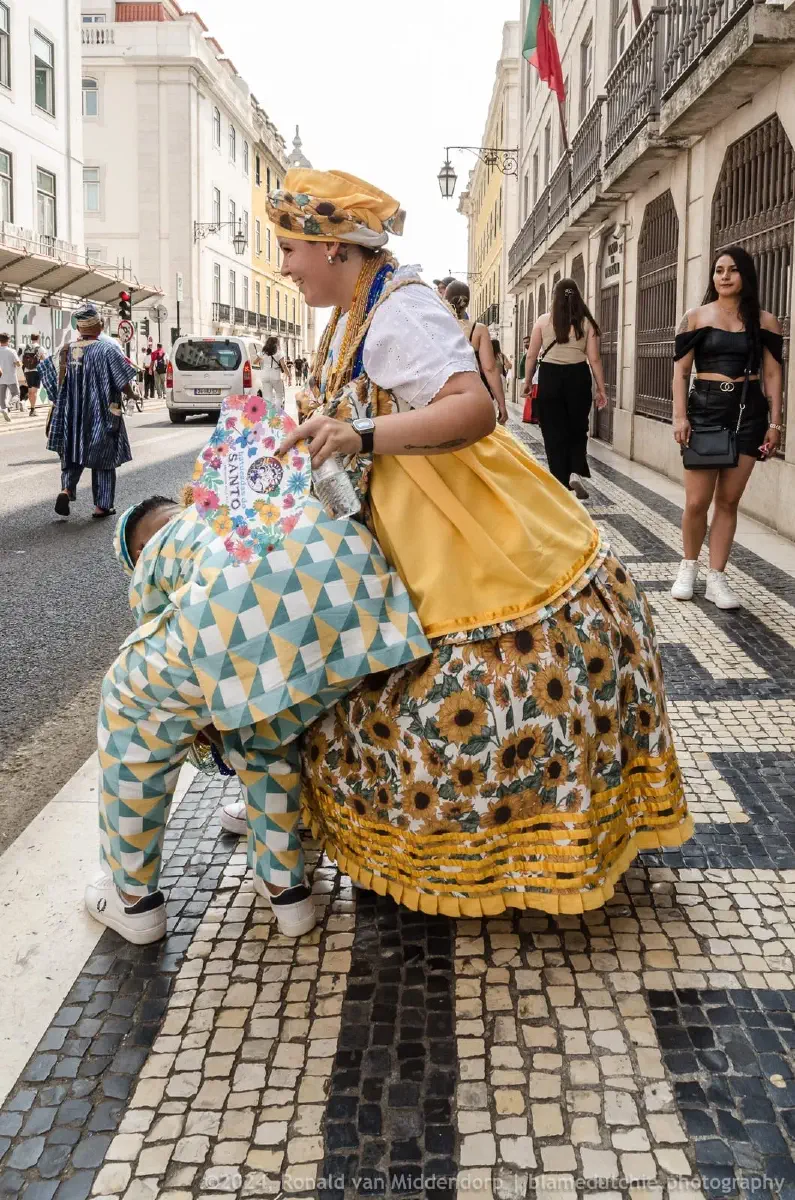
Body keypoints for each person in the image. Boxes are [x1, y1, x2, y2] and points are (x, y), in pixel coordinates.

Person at [268, 168, 691, 918]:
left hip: (455, 523)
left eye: (290, 249)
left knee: (469, 686)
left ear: (334, 247)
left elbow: (473, 410)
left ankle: (506, 851)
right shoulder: (356, 312)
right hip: (404, 518)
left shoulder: (399, 310)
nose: (284, 267)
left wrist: (359, 432)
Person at [88, 463, 429, 942]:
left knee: (130, 702)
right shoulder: (235, 499)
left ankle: (133, 899)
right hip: (361, 607)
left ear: (138, 549)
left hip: (249, 617)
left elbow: (169, 658)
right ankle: (285, 890)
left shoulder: (157, 550)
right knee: (263, 726)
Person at [671, 246, 784, 610]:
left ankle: (716, 577)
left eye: (732, 270)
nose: (724, 276)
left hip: (748, 413)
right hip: (704, 410)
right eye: (719, 270)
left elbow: (772, 374)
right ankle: (688, 567)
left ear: (745, 275)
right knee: (696, 501)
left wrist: (775, 422)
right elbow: (681, 372)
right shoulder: (696, 317)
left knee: (729, 500)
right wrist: (680, 416)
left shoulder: (766, 322)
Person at [39, 302, 137, 518]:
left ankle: (66, 490)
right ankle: (102, 505)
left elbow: (48, 376)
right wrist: (132, 395)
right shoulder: (107, 349)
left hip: (72, 415)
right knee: (104, 458)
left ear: (79, 328)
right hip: (102, 413)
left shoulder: (66, 350)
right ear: (100, 326)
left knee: (72, 454)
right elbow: (122, 381)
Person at [523, 277, 608, 501]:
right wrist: (601, 389)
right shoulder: (586, 323)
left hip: (550, 377)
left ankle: (559, 481)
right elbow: (594, 359)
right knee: (578, 428)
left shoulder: (543, 321)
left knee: (553, 431)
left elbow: (531, 355)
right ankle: (575, 471)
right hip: (578, 376)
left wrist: (527, 381)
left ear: (555, 297)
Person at [445, 281, 508, 425]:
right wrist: (501, 404)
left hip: (443, 394)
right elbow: (490, 368)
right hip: (471, 393)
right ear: (467, 302)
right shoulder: (478, 330)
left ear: (446, 300)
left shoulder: (436, 327)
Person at [21, 333, 46, 415]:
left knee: (30, 391)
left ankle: (31, 408)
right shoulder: (40, 348)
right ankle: (32, 410)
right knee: (34, 392)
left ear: (31, 338)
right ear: (38, 339)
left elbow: (22, 359)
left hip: (27, 371)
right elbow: (44, 359)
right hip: (35, 371)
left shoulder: (26, 347)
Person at [0, 333, 21, 422]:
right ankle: (9, 406)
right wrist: (17, 363)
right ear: (8, 340)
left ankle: (5, 410)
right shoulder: (11, 351)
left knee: (2, 398)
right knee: (16, 394)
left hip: (1, 378)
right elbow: (18, 363)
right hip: (11, 377)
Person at [260, 336, 286, 408]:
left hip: (265, 375)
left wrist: (263, 363)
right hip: (275, 375)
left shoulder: (263, 353)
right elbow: (283, 365)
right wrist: (288, 374)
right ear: (276, 343)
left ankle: (269, 411)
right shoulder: (279, 352)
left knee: (267, 396)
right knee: (279, 395)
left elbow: (257, 362)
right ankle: (277, 411)